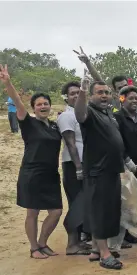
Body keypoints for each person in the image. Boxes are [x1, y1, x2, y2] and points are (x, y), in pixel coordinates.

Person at [0, 65, 63, 260]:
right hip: (32, 173)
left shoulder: (55, 126)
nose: (43, 106)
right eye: (39, 104)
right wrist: (8, 82)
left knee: (56, 211)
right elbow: (18, 102)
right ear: (34, 108)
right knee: (33, 212)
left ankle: (43, 242)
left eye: (46, 104)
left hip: (51, 174)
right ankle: (34, 247)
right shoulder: (28, 122)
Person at [74, 80, 125, 269]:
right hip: (97, 171)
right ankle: (105, 255)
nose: (104, 95)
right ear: (91, 96)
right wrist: (83, 91)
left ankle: (96, 249)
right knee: (100, 213)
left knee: (109, 211)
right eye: (99, 92)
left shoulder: (108, 113)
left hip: (111, 170)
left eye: (107, 92)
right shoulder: (90, 113)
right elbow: (79, 114)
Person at [113, 86, 137, 245]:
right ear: (122, 99)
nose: (135, 101)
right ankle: (118, 236)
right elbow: (117, 141)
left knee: (134, 202)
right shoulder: (117, 118)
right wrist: (126, 159)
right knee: (121, 202)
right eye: (131, 98)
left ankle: (130, 233)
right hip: (122, 167)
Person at [56, 81, 91, 256]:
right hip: (74, 164)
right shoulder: (66, 116)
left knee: (83, 203)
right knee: (77, 202)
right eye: (72, 93)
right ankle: (71, 244)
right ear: (66, 97)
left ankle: (78, 241)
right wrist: (78, 167)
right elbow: (70, 143)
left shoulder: (83, 114)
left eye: (79, 92)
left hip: (86, 163)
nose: (76, 96)